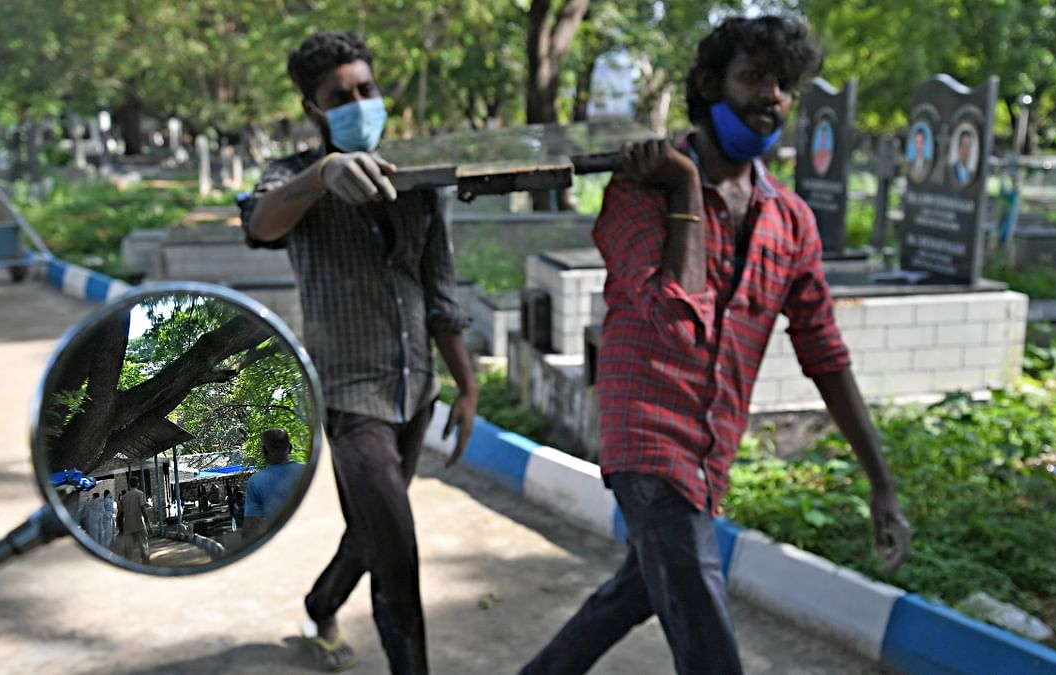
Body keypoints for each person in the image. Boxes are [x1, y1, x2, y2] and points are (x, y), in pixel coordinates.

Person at [519, 15, 912, 675]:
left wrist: (882, 484)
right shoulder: (638, 187)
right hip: (647, 438)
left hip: (710, 451)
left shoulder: (789, 221)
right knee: (708, 640)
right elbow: (676, 314)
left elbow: (826, 354)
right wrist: (680, 189)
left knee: (636, 590)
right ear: (710, 84)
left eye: (784, 84)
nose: (773, 97)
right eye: (754, 76)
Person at [240, 31, 478, 674]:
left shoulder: (414, 176)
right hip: (351, 400)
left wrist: (466, 384)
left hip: (416, 391)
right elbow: (260, 222)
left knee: (373, 532)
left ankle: (321, 599)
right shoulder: (294, 178)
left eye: (365, 89)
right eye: (339, 96)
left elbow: (439, 286)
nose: (358, 102)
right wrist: (324, 173)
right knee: (397, 555)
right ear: (313, 109)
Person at [242, 428, 306, 537]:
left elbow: (251, 525)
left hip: (281, 541)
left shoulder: (256, 481)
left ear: (264, 450)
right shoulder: (307, 470)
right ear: (290, 448)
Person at [119, 477, 151, 564]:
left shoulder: (124, 497)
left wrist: (121, 526)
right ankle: (146, 566)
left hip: (128, 526)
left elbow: (121, 513)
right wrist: (148, 523)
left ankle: (128, 567)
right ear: (138, 484)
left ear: (129, 485)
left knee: (128, 551)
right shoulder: (139, 494)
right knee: (144, 547)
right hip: (139, 524)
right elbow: (143, 509)